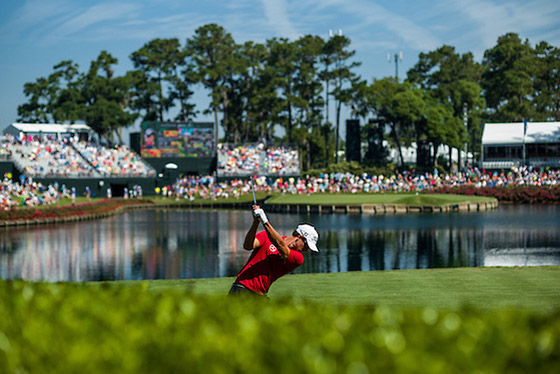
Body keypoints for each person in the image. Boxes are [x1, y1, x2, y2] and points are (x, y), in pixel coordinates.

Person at [229, 205, 319, 297]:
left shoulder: (298, 258)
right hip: (241, 288)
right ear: (300, 237)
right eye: (306, 246)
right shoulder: (266, 236)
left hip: (258, 295)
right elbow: (248, 246)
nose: (305, 250)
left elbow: (280, 245)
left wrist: (264, 220)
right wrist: (256, 222)